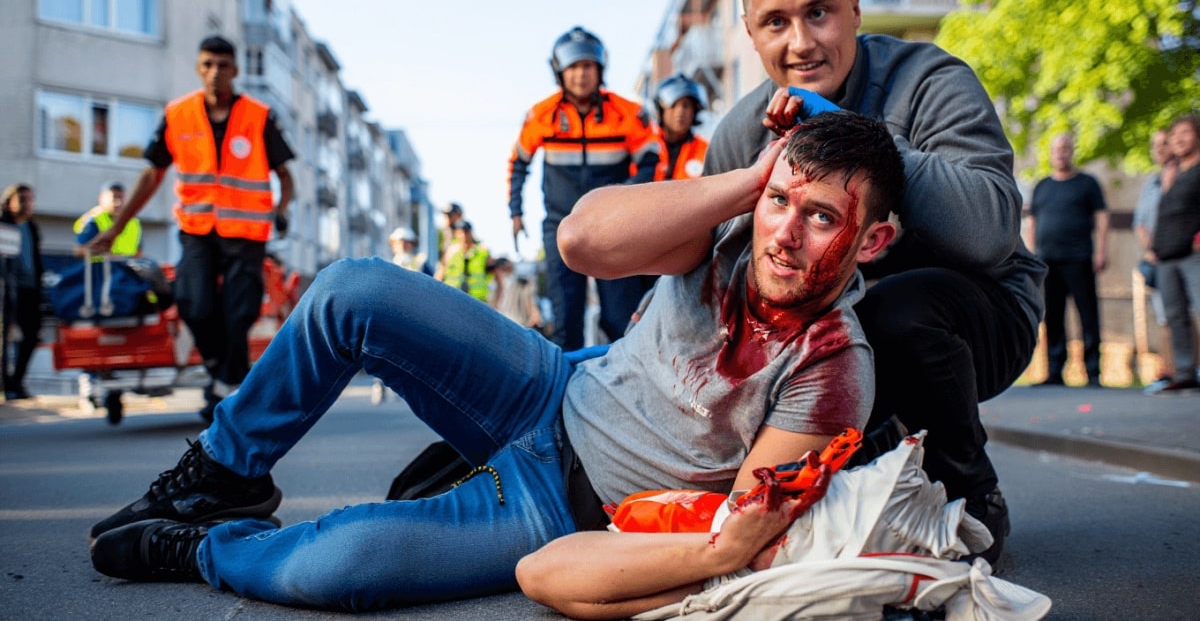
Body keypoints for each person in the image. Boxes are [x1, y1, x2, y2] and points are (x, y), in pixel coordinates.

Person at [87, 111, 902, 612]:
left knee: (341, 568)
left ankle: (200, 547)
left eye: (821, 216)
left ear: (873, 240)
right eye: (780, 202)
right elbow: (581, 241)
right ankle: (224, 472)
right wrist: (753, 181)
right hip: (549, 389)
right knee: (353, 289)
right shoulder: (730, 226)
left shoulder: (834, 368)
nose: (784, 234)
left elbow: (738, 535)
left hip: (568, 507)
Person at [700, 0, 1046, 565]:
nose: (801, 42)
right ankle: (874, 450)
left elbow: (990, 233)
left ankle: (971, 494)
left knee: (896, 309)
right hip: (831, 337)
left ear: (855, 10)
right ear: (751, 33)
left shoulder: (931, 80)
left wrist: (863, 139)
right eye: (776, 23)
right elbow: (716, 276)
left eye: (819, 12)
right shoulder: (739, 132)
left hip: (976, 316)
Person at [86, 35, 295, 422]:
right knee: (194, 305)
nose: (215, 73)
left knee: (240, 313)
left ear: (236, 70)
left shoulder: (258, 116)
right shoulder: (179, 114)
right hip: (197, 230)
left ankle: (222, 387)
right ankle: (224, 375)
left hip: (245, 234)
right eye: (208, 65)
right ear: (199, 68)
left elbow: (286, 175)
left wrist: (281, 209)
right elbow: (152, 174)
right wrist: (116, 227)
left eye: (223, 65)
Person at [507, 26, 661, 350]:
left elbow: (651, 159)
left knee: (620, 318)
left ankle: (624, 389)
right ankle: (565, 395)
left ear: (599, 69)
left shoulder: (627, 112)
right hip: (561, 225)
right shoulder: (542, 114)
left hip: (614, 226)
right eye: (573, 67)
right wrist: (516, 212)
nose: (581, 75)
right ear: (559, 72)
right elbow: (519, 162)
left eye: (587, 66)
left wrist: (627, 195)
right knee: (566, 319)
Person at [1028, 131, 1110, 387]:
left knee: (1087, 314)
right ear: (1051, 154)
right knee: (1052, 316)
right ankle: (1054, 370)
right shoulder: (1042, 186)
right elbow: (1032, 221)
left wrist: (1102, 250)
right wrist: (1032, 254)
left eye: (1065, 148)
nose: (1061, 153)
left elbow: (1102, 217)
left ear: (1071, 151)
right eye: (1056, 149)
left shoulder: (1087, 183)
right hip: (1048, 261)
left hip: (1080, 257)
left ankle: (1093, 372)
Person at [1149, 113, 1200, 393]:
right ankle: (1185, 373)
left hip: (1192, 253)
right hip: (1167, 256)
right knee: (1175, 316)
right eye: (1175, 134)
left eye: (1185, 132)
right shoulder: (1172, 173)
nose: (1178, 139)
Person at [1133, 129, 1180, 391]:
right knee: (1165, 318)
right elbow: (1140, 222)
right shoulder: (1150, 183)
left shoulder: (1187, 177)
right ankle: (1171, 371)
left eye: (1164, 143)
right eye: (1155, 144)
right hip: (1159, 257)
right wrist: (1152, 249)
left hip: (1184, 254)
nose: (1159, 149)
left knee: (1187, 315)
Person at [1, 183, 43, 402]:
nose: (27, 204)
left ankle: (16, 381)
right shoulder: (3, 226)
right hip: (6, 290)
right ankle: (6, 385)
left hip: (30, 290)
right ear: (9, 202)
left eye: (30, 199)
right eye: (22, 199)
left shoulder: (32, 228)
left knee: (31, 336)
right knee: (5, 339)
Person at [652, 73, 709, 181]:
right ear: (661, 110)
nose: (680, 112)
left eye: (686, 106)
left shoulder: (705, 151)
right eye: (673, 105)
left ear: (695, 111)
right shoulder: (645, 146)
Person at [74, 182, 142, 257]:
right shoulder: (94, 219)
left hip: (125, 267)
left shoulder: (133, 222)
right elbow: (80, 251)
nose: (118, 203)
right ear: (101, 198)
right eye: (114, 197)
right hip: (101, 267)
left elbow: (138, 252)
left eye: (121, 197)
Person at [434, 220, 493, 302]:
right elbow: (441, 272)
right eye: (460, 232)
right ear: (455, 234)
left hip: (477, 300)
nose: (464, 235)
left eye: (466, 232)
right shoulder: (451, 251)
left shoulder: (482, 251)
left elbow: (495, 275)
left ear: (471, 233)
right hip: (453, 297)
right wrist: (435, 292)